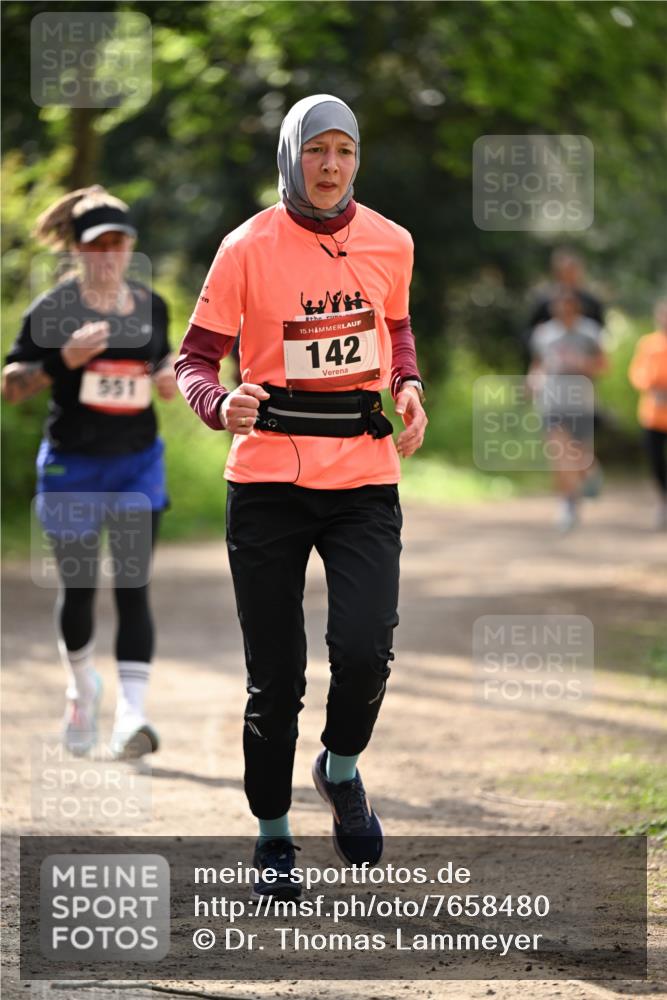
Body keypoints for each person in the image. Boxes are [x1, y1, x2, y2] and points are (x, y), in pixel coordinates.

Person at [176, 94, 427, 898]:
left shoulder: (391, 241)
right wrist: (220, 404)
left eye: (344, 152)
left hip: (361, 471)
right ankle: (272, 834)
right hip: (267, 481)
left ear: (357, 160)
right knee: (274, 676)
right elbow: (195, 359)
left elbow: (396, 327)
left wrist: (408, 383)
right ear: (291, 156)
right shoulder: (244, 246)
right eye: (315, 150)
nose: (329, 166)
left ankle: (341, 768)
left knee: (364, 649)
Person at [2, 185, 177, 758]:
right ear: (77, 250)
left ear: (131, 247)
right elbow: (10, 386)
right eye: (97, 244)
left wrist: (171, 375)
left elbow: (165, 360)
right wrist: (62, 361)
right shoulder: (53, 310)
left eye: (119, 242)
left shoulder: (152, 306)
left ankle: (132, 716)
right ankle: (82, 691)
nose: (109, 254)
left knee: (134, 587)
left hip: (137, 466)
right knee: (78, 591)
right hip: (73, 468)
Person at [528, 290, 608, 531]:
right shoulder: (544, 334)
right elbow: (538, 363)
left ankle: (590, 472)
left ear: (576, 308)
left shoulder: (590, 332)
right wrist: (533, 379)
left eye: (568, 307)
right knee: (558, 453)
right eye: (559, 307)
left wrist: (584, 364)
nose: (563, 311)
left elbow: (604, 364)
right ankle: (567, 503)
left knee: (578, 456)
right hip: (552, 401)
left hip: (581, 401)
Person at [628, 299, 667, 530]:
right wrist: (652, 385)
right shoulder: (648, 344)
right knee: (656, 462)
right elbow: (637, 373)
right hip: (652, 415)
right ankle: (663, 499)